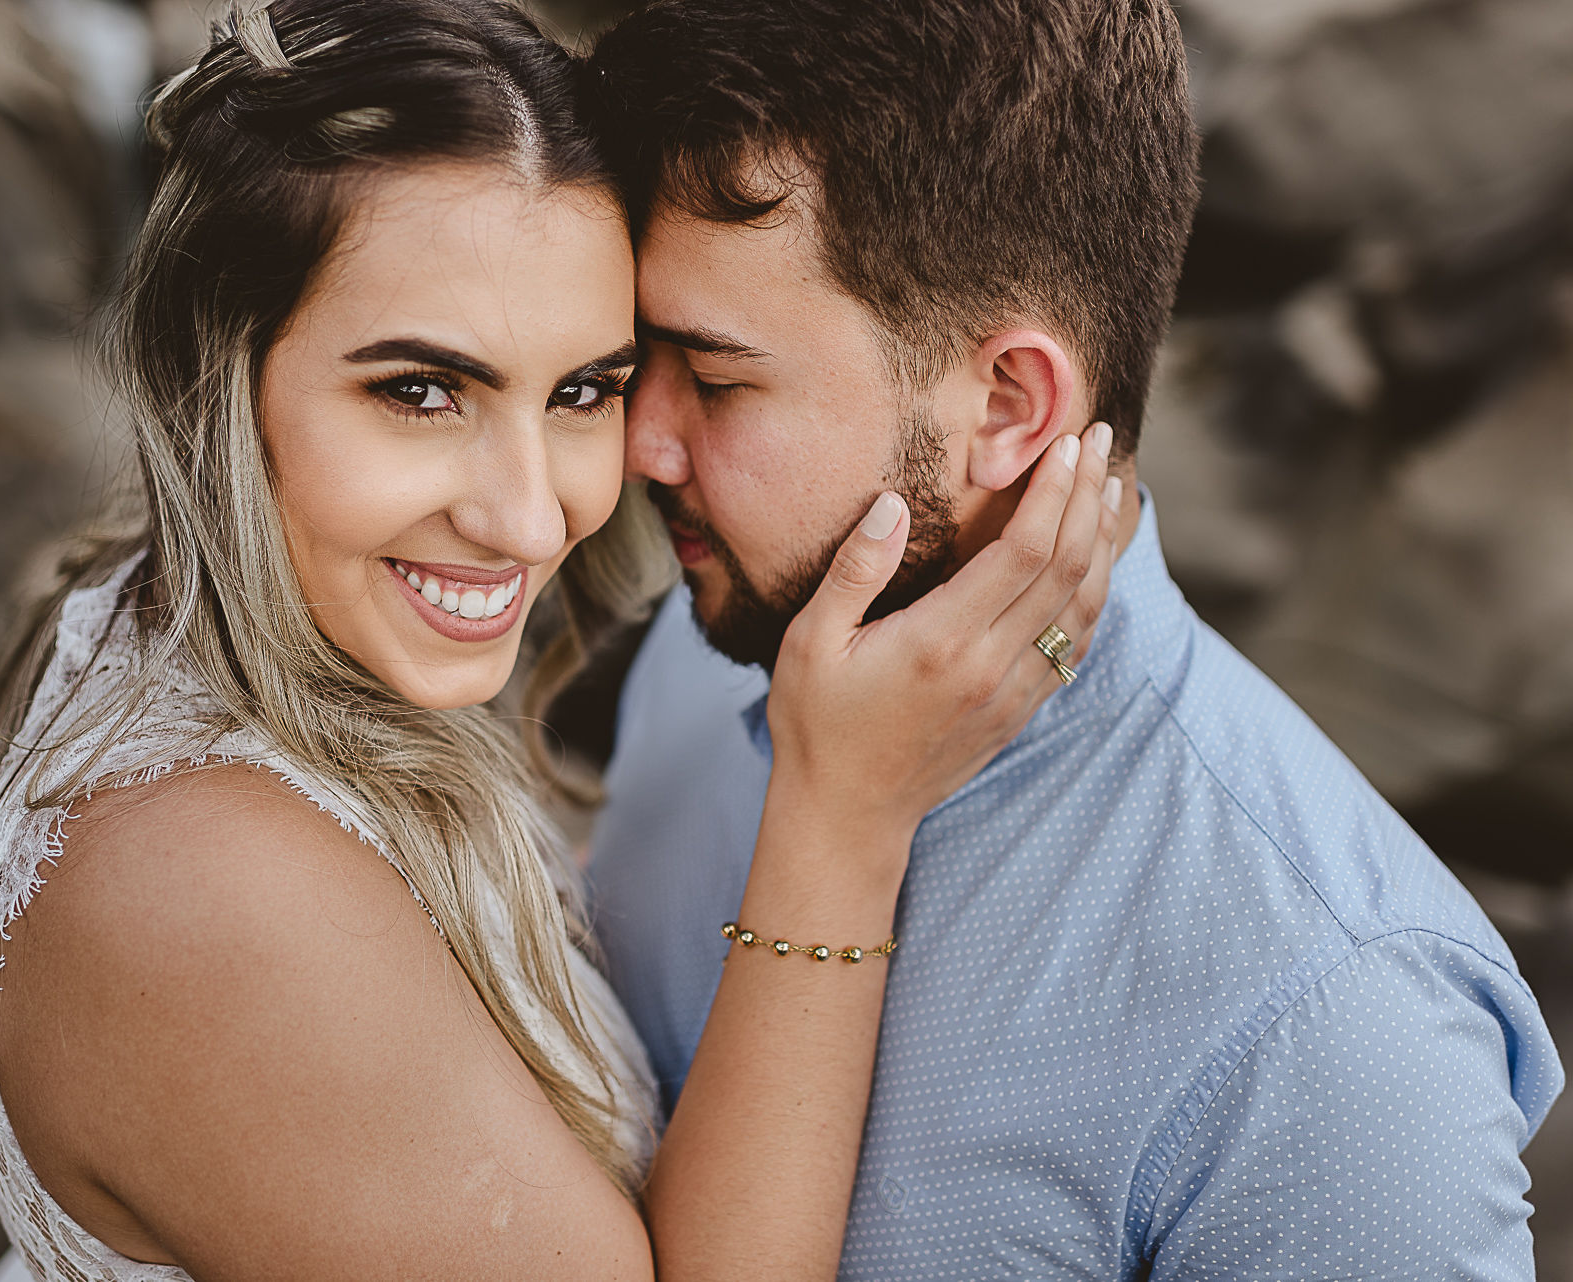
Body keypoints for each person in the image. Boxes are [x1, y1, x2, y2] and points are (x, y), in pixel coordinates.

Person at [0, 2, 1123, 1278]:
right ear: (212, 374)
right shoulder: (205, 885)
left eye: (583, 391)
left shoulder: (229, 626)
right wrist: (841, 820)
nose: (528, 516)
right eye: (419, 390)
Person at [581, 0, 1564, 1276]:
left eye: (716, 382)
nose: (641, 446)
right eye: (639, 362)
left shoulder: (1335, 1025)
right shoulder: (720, 628)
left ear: (1008, 405)